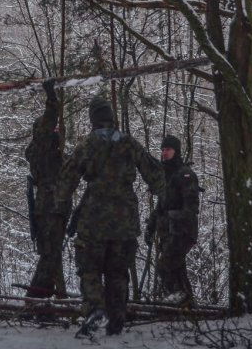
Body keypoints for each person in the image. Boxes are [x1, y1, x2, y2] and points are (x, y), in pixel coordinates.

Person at [57, 96, 164, 337]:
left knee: (89, 267)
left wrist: (59, 204)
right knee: (118, 271)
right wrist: (164, 195)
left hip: (94, 218)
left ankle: (96, 309)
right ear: (112, 117)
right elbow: (152, 170)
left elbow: (67, 178)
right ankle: (116, 320)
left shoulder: (87, 145)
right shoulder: (129, 143)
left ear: (93, 119)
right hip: (126, 219)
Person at [145, 135, 201, 305]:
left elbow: (191, 207)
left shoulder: (185, 174)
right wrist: (151, 227)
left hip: (182, 231)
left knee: (165, 265)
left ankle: (178, 300)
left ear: (176, 151)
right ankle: (187, 306)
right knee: (177, 269)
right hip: (168, 232)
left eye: (168, 149)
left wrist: (174, 218)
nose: (164, 153)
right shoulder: (166, 175)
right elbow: (161, 207)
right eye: (162, 150)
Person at [24, 79, 65, 298]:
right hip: (48, 206)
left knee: (52, 255)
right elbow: (49, 120)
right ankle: (35, 298)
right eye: (53, 128)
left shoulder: (51, 152)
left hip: (52, 206)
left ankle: (41, 300)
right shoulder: (41, 147)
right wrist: (51, 96)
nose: (56, 130)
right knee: (49, 255)